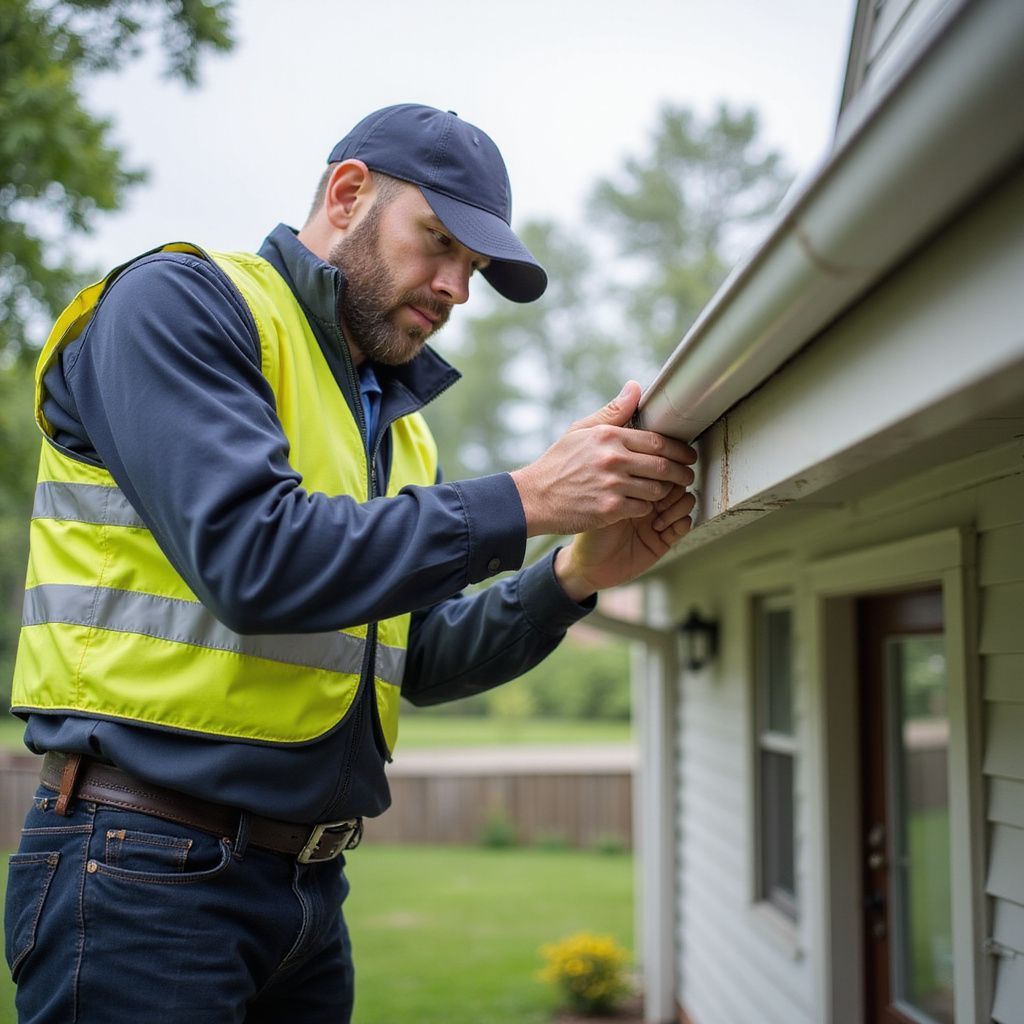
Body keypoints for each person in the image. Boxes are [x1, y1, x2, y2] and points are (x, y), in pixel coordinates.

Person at [4, 104, 696, 1023]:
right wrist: (525, 498)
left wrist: (572, 572)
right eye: (438, 242)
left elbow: (419, 657)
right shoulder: (180, 305)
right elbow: (257, 562)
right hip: (140, 871)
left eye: (474, 269)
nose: (455, 288)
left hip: (307, 894)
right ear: (347, 193)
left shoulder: (396, 434)